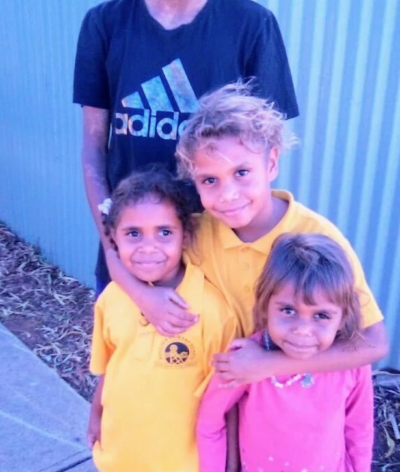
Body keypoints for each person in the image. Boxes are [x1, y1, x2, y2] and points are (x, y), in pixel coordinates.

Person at [73, 0, 299, 294]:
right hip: (137, 251)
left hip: (221, 260)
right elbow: (92, 145)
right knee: (125, 360)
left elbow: (267, 152)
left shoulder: (252, 26)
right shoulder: (103, 24)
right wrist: (114, 250)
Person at [108, 83, 388, 384]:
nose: (228, 194)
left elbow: (374, 342)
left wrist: (269, 364)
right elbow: (118, 251)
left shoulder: (317, 238)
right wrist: (144, 296)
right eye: (210, 180)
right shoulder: (197, 232)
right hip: (219, 390)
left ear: (270, 163)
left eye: (241, 173)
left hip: (291, 398)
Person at [87, 167, 236, 472]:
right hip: (120, 455)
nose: (148, 247)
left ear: (185, 236)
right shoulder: (112, 299)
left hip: (183, 463)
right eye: (133, 234)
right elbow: (109, 366)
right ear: (113, 239)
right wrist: (95, 414)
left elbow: (230, 397)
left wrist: (230, 463)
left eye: (164, 232)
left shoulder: (212, 310)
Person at [196, 233, 374, 472]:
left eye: (321, 316)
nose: (302, 331)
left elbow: (359, 428)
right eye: (288, 311)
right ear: (264, 305)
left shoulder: (351, 363)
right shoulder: (245, 361)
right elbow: (210, 424)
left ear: (343, 318)